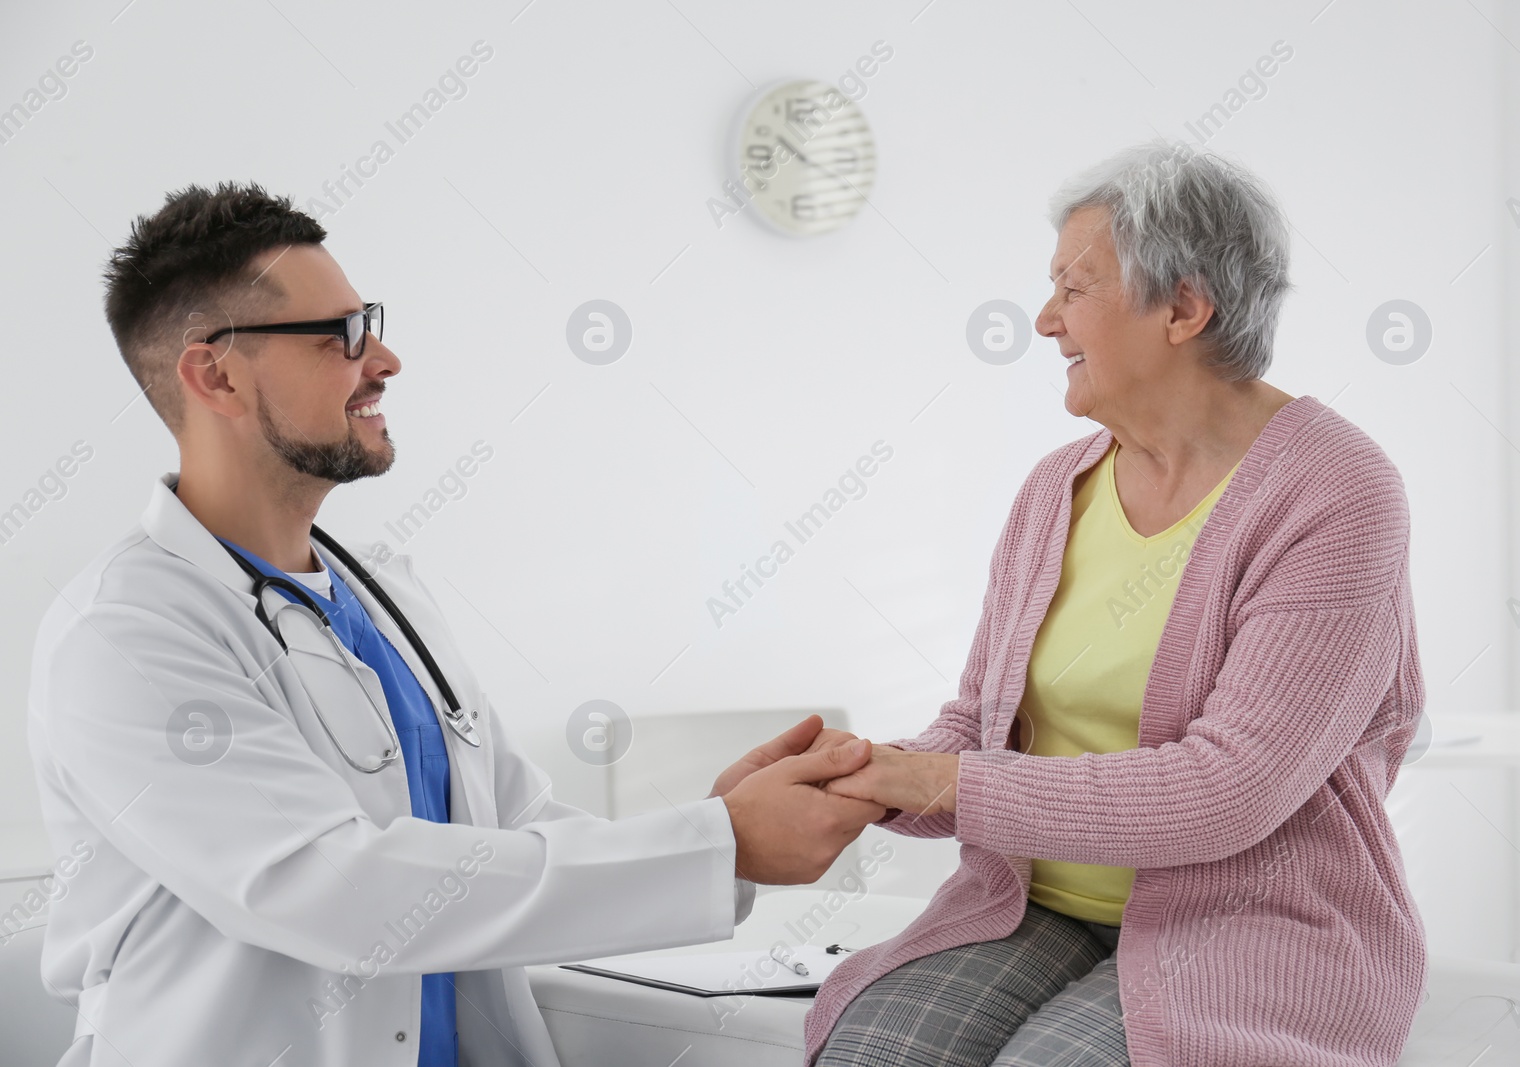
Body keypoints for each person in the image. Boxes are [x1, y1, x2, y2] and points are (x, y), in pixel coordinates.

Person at [27, 181, 884, 1067]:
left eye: (374, 322)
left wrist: (722, 832)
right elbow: (333, 888)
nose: (386, 359)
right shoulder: (125, 633)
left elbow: (515, 829)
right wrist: (720, 843)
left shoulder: (382, 593)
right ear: (216, 373)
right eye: (344, 334)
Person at [808, 141, 1428, 1067]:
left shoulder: (1337, 493)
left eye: (1074, 287)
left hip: (1254, 924)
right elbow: (979, 727)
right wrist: (862, 771)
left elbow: (1228, 791)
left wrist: (934, 784)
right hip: (1034, 905)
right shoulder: (1057, 487)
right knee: (873, 1052)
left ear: (1183, 305)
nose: (1045, 320)